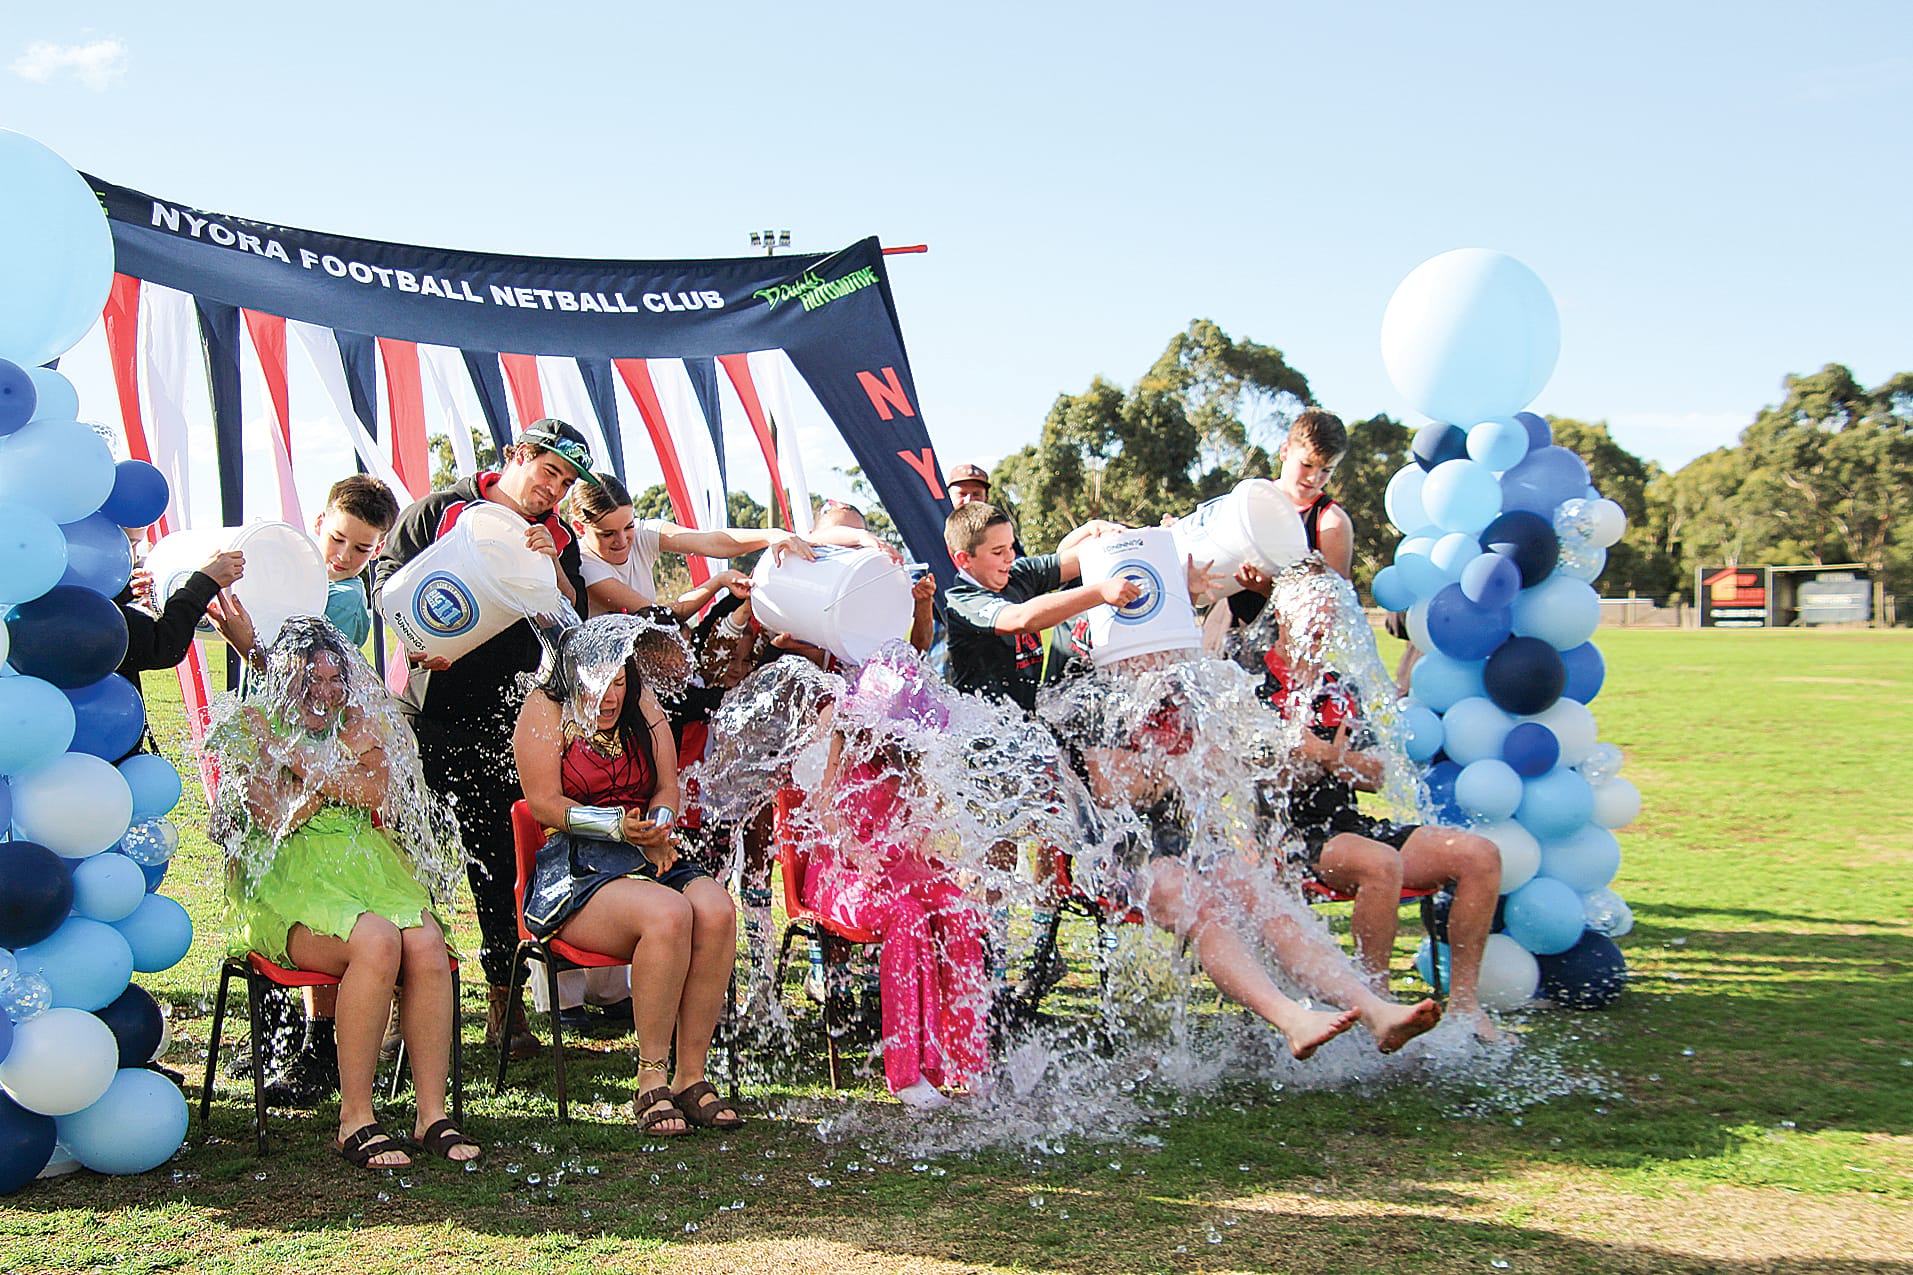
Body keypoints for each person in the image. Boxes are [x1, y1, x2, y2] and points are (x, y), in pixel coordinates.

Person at [1063, 654, 1444, 1058]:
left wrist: (1203, 769)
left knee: (1268, 905)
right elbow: (1114, 791)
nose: (1173, 654)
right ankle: (1291, 1019)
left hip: (1182, 840)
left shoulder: (1182, 692)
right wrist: (1185, 770)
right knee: (1203, 906)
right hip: (1113, 852)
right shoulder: (1093, 697)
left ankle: (1374, 1010)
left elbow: (1217, 778)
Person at [211, 618, 474, 1169]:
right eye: (311, 681)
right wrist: (336, 769)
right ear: (283, 680)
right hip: (288, 877)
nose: (326, 694)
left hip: (367, 867)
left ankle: (430, 1114)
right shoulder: (249, 723)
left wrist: (299, 766)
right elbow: (274, 816)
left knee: (427, 945)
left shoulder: (353, 721)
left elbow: (376, 791)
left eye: (336, 681)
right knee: (377, 942)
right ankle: (355, 1117)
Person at [373, 418, 595, 1060]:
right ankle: (403, 1005)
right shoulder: (440, 509)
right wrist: (412, 642)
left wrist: (555, 569)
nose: (554, 489)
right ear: (516, 454)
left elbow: (571, 621)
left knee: (498, 866)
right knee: (408, 861)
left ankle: (505, 1002)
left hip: (504, 722)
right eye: (549, 471)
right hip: (424, 715)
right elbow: (384, 580)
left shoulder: (558, 537)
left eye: (566, 482)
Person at [511, 615, 742, 1135]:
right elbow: (544, 805)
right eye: (599, 685)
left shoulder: (643, 703)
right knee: (668, 914)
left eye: (618, 681)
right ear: (574, 676)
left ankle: (691, 1076)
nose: (611, 696)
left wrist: (658, 826)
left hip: (646, 852)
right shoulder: (545, 706)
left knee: (716, 910)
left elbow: (666, 787)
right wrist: (618, 826)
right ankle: (650, 1078)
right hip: (576, 867)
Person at [1256, 560, 1503, 1039]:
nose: (1323, 624)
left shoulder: (1337, 686)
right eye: (1313, 612)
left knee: (1480, 855)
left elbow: (1376, 774)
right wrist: (1324, 759)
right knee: (1381, 863)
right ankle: (1378, 1007)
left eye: (1330, 613)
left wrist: (1326, 756)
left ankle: (1466, 1007)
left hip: (1349, 828)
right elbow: (1254, 774)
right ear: (1283, 613)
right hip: (1285, 836)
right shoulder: (1254, 681)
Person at [941, 502, 1138, 997]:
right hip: (983, 748)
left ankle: (1043, 953)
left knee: (1052, 841)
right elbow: (1020, 619)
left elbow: (1073, 560)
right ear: (964, 560)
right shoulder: (963, 600)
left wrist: (1106, 536)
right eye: (997, 552)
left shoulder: (1017, 573)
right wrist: (1099, 591)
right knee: (998, 856)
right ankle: (990, 969)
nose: (1010, 559)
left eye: (1011, 547)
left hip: (1028, 737)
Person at [797, 651, 988, 1110]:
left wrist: (946, 852)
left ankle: (966, 1060)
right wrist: (855, 850)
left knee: (959, 909)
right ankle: (906, 1072)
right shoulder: (838, 733)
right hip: (839, 870)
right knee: (906, 917)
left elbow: (921, 821)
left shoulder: (906, 750)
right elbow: (820, 806)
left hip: (894, 865)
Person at [567, 472, 813, 622]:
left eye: (628, 527)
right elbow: (661, 617)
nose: (622, 541)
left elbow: (711, 541)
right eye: (608, 534)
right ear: (579, 527)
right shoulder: (584, 565)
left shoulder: (643, 534)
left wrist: (771, 535)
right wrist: (716, 583)